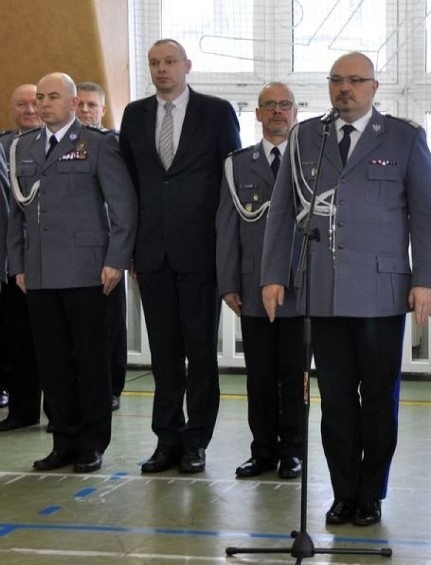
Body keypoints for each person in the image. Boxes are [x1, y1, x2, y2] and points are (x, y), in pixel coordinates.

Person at [261, 51, 431, 526]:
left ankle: (371, 492)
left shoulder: (404, 138)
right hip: (322, 289)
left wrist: (425, 280)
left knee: (379, 398)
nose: (345, 88)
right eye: (336, 80)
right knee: (336, 400)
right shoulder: (306, 137)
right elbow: (282, 213)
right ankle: (343, 492)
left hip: (382, 294)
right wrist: (274, 275)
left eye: (356, 80)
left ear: (374, 87)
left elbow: (426, 216)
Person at [119, 39, 241, 474]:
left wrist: (230, 251)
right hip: (151, 252)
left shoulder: (216, 111)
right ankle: (166, 439)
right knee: (164, 353)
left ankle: (196, 441)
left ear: (187, 66)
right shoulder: (135, 114)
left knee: (200, 350)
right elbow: (129, 185)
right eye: (154, 63)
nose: (162, 70)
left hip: (201, 252)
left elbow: (233, 179)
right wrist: (130, 248)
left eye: (170, 62)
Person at [6, 72, 137, 472]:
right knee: (53, 361)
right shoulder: (22, 148)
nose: (43, 104)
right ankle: (62, 440)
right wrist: (17, 265)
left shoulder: (97, 145)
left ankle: (91, 443)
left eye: (52, 97)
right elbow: (17, 213)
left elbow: (123, 208)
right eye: (39, 97)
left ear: (73, 101)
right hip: (41, 271)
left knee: (90, 361)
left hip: (88, 271)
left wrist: (116, 260)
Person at [215, 82, 304, 480]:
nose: (278, 112)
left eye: (285, 105)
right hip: (252, 288)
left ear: (296, 111)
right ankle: (263, 451)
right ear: (257, 113)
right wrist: (228, 282)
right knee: (260, 375)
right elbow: (227, 226)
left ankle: (294, 452)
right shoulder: (237, 164)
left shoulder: (310, 161)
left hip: (298, 287)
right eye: (269, 105)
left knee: (295, 375)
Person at [76, 81, 127, 413]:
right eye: (79, 105)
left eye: (91, 105)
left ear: (103, 110)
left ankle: (111, 387)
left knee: (109, 326)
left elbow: (125, 203)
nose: (84, 111)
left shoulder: (113, 145)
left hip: (108, 250)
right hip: (73, 255)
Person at [0, 84, 43, 432]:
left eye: (36, 102)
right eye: (22, 104)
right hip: (13, 265)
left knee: (61, 345)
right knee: (18, 343)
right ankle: (22, 410)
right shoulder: (4, 146)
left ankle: (62, 415)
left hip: (51, 262)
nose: (30, 109)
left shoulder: (61, 146)